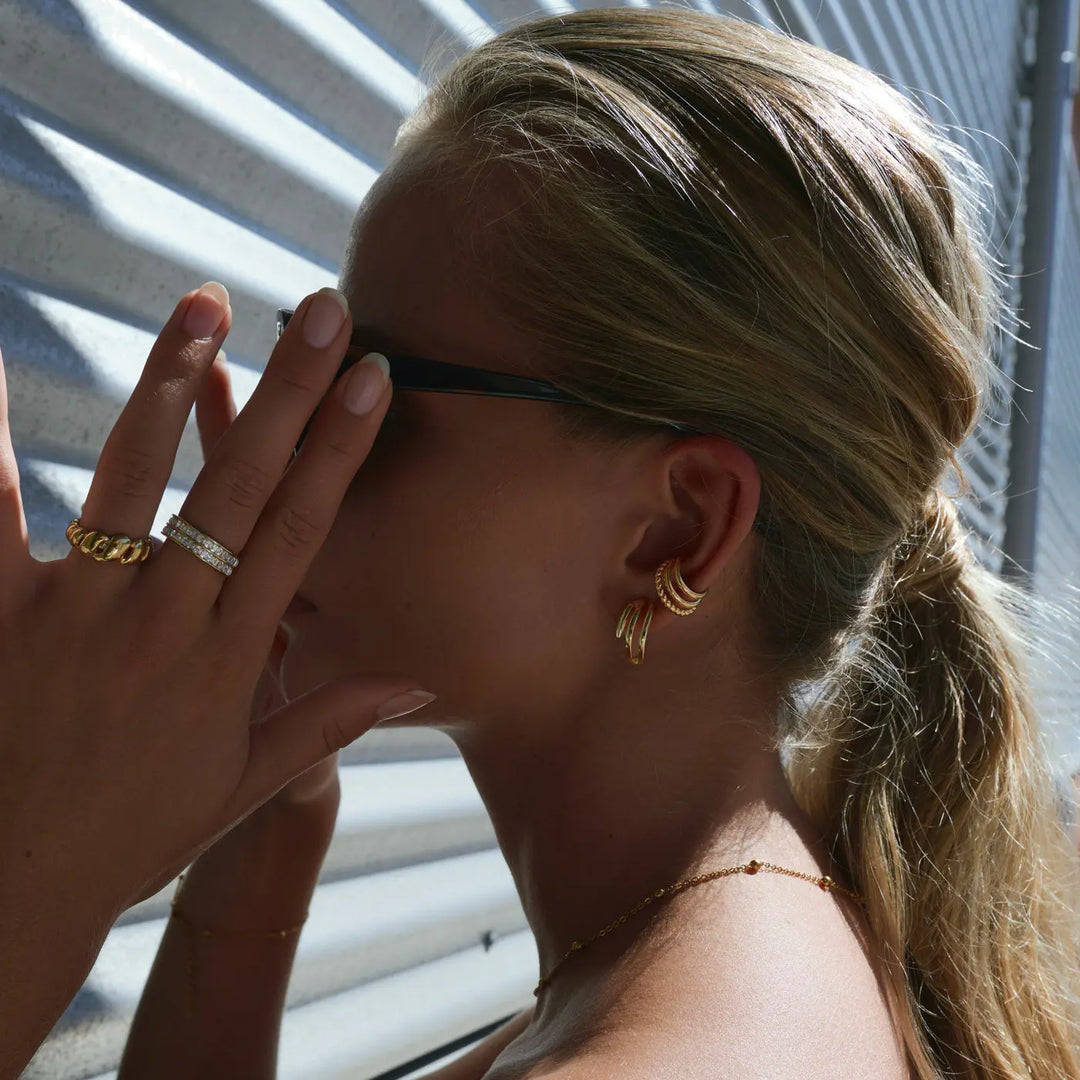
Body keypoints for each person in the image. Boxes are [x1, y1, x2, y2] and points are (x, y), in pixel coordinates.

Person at [2, 7, 1078, 1079]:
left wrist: (46, 856)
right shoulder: (705, 964)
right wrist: (267, 826)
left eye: (372, 392)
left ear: (681, 528)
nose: (294, 458)